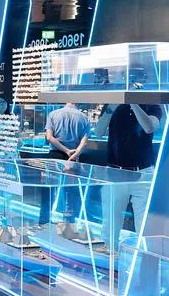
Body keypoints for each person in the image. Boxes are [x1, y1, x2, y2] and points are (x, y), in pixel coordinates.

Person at [101, 103, 162, 244]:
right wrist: (110, 109)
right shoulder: (113, 104)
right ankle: (111, 253)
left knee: (144, 223)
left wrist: (134, 104)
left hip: (143, 172)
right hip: (115, 171)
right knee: (111, 220)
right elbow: (99, 131)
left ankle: (142, 258)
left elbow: (149, 127)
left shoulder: (151, 105)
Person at [40, 103, 91, 226]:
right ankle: (69, 223)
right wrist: (73, 153)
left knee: (49, 188)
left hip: (55, 155)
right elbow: (84, 143)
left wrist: (65, 150)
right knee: (71, 190)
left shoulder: (53, 114)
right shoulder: (84, 118)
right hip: (73, 157)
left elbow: (49, 137)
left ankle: (44, 221)